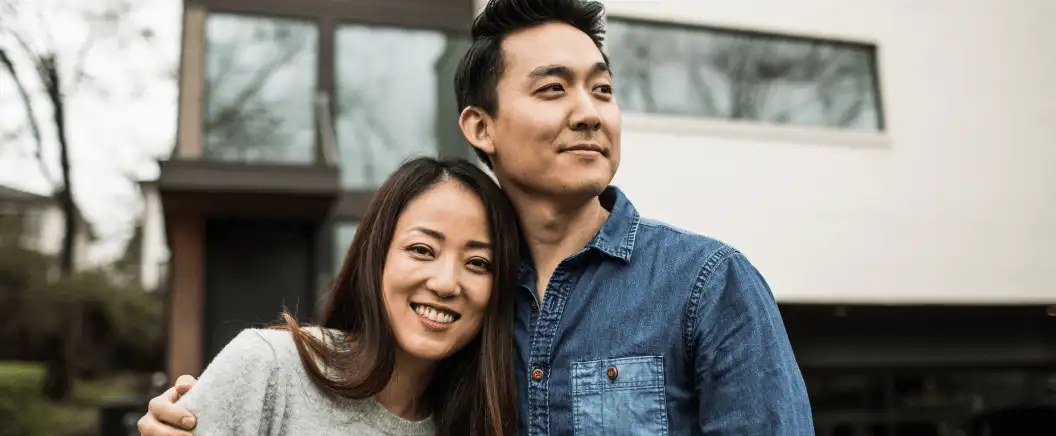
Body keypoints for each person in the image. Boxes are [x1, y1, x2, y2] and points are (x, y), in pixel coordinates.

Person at [139, 0, 815, 434]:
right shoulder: (462, 325)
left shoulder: (706, 283)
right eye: (553, 88)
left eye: (602, 89)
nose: (590, 110)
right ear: (480, 125)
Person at [137, 157, 521, 436]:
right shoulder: (269, 368)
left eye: (478, 263)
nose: (446, 282)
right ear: (376, 258)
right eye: (422, 250)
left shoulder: (483, 422)